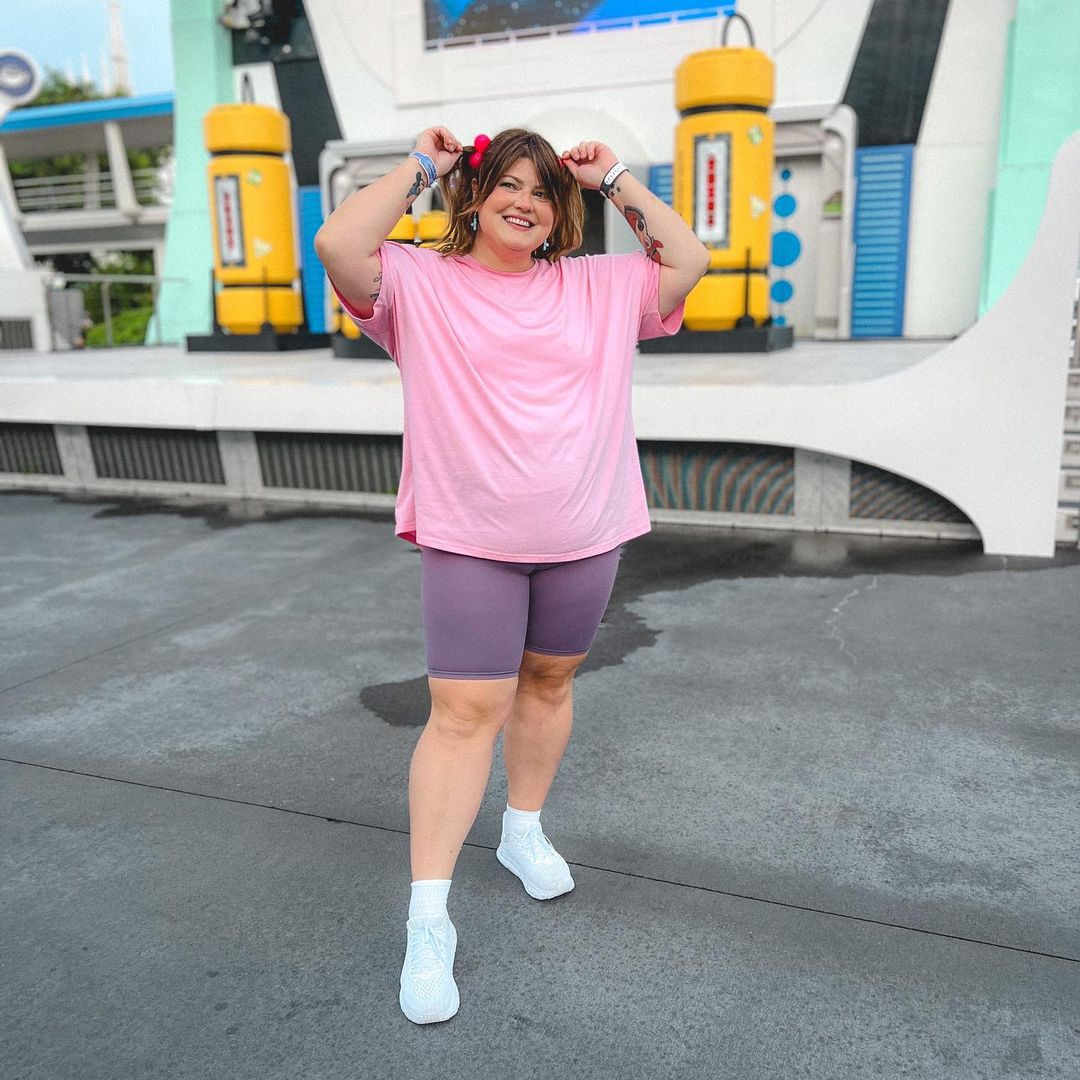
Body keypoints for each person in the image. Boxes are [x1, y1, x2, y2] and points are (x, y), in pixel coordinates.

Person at [314, 126, 709, 1025]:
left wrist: (612, 177)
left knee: (550, 682)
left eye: (541, 190)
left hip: (586, 530)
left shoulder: (600, 286)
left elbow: (688, 259)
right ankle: (428, 921)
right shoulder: (417, 282)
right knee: (463, 713)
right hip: (472, 536)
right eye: (507, 184)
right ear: (476, 193)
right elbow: (338, 242)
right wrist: (424, 164)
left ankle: (522, 831)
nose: (524, 202)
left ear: (560, 210)